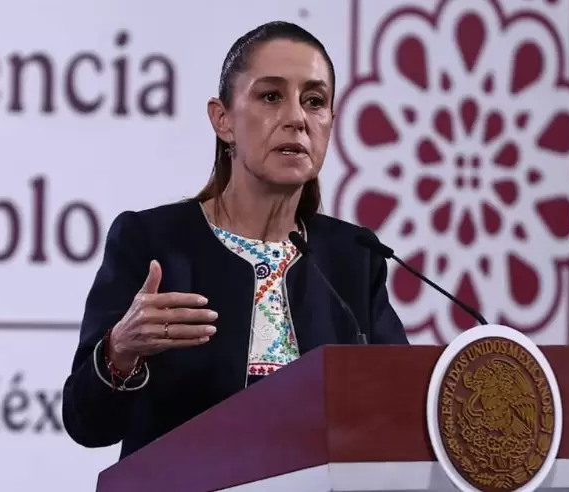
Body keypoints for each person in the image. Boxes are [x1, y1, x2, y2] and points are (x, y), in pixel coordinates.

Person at [61, 20, 409, 460]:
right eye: (271, 96)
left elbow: (401, 407)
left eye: (315, 101)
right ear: (222, 119)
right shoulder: (152, 242)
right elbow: (86, 424)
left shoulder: (353, 257)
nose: (297, 119)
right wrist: (120, 350)